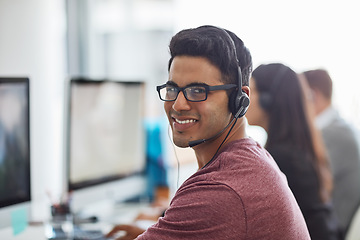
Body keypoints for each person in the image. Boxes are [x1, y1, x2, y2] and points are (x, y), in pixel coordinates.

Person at [107, 25, 310, 239]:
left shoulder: (219, 189)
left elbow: (216, 208)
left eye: (197, 91)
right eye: (173, 89)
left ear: (239, 100)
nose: (178, 105)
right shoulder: (253, 157)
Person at [246, 63, 340, 239]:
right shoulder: (295, 150)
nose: (246, 99)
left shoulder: (281, 158)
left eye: (252, 90)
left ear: (269, 99)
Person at [302, 69, 360, 238]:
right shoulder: (340, 126)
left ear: (313, 95)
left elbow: (312, 186)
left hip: (336, 230)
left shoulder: (331, 134)